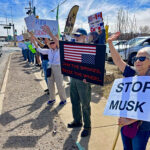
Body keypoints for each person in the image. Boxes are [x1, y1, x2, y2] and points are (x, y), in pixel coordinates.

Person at [107, 32, 150, 150]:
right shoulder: (132, 74)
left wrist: (129, 120)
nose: (137, 61)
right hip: (125, 122)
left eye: (142, 58)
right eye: (136, 58)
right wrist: (110, 43)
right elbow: (118, 60)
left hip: (142, 127)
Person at [30, 26, 67, 106]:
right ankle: (52, 98)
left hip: (58, 67)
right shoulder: (49, 50)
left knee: (59, 84)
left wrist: (49, 32)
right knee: (50, 83)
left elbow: (56, 41)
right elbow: (39, 50)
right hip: (50, 67)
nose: (51, 43)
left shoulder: (60, 49)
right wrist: (33, 42)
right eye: (50, 43)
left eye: (53, 42)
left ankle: (63, 99)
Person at [67, 28, 92, 137]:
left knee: (85, 104)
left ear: (85, 37)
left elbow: (91, 67)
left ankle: (87, 126)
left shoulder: (87, 49)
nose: (76, 37)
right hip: (73, 78)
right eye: (75, 36)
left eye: (78, 35)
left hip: (83, 81)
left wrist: (88, 77)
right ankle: (77, 121)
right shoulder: (72, 48)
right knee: (74, 101)